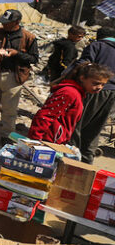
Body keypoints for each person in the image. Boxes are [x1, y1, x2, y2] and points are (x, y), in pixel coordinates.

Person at [0, 9, 39, 142]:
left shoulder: (29, 37)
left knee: (9, 110)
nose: (4, 25)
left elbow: (34, 58)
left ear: (16, 22)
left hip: (13, 77)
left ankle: (7, 135)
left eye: (7, 23)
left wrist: (17, 54)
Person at [30, 63, 113, 144]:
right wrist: (36, 140)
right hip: (47, 141)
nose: (100, 87)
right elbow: (44, 116)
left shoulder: (78, 94)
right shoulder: (69, 93)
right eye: (96, 83)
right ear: (82, 78)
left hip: (55, 141)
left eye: (103, 84)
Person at [67, 27, 115, 162]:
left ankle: (71, 158)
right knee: (96, 128)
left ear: (100, 36)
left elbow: (84, 64)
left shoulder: (97, 45)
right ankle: (87, 161)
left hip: (94, 89)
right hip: (112, 94)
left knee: (77, 123)